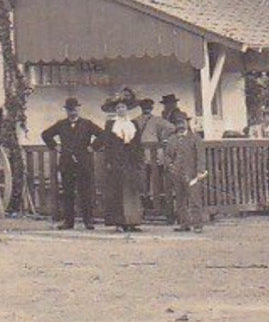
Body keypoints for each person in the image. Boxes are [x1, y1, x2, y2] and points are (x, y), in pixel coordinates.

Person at [40, 97, 100, 230]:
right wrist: (55, 146)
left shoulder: (87, 124)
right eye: (69, 110)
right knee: (68, 193)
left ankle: (88, 221)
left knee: (86, 192)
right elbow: (45, 134)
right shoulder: (61, 124)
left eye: (75, 109)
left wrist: (92, 147)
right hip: (66, 162)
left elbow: (102, 135)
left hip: (84, 162)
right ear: (66, 111)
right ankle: (69, 222)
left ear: (79, 109)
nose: (72, 112)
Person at [97, 94, 144, 232]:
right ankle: (118, 222)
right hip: (116, 162)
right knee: (117, 192)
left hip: (131, 161)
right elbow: (107, 144)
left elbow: (138, 144)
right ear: (115, 110)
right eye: (118, 107)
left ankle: (132, 222)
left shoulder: (133, 124)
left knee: (132, 191)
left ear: (127, 109)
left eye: (123, 107)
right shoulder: (111, 124)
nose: (121, 109)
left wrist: (139, 160)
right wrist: (109, 161)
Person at [163, 115, 207, 232]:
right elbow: (167, 155)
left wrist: (200, 170)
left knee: (194, 199)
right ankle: (184, 224)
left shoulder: (195, 138)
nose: (180, 126)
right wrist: (170, 166)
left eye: (182, 123)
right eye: (178, 124)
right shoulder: (172, 139)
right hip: (177, 174)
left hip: (192, 174)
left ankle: (197, 225)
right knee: (180, 200)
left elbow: (200, 155)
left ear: (187, 124)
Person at [135, 98, 177, 219]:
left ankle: (149, 203)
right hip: (151, 154)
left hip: (145, 154)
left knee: (147, 180)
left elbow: (171, 128)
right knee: (153, 179)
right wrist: (162, 137)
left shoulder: (138, 121)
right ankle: (154, 203)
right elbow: (172, 128)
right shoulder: (156, 120)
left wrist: (162, 137)